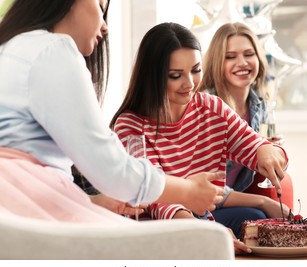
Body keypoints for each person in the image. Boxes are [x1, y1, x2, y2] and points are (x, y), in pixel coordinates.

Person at [0, 0, 225, 223]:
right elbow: (112, 170)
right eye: (101, 7)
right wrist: (187, 190)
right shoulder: (51, 50)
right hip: (28, 217)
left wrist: (92, 202)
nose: (105, 26)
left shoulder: (13, 47)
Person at [110, 22, 289, 252]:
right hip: (158, 227)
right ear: (152, 76)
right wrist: (205, 232)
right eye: (176, 75)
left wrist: (265, 150)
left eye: (195, 70)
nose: (190, 83)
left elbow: (252, 143)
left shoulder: (211, 107)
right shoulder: (131, 125)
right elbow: (154, 197)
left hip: (202, 216)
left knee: (257, 218)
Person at [199, 22, 294, 212]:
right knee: (257, 215)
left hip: (236, 192)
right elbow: (207, 184)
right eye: (230, 57)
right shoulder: (207, 107)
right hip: (207, 202)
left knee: (282, 189)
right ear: (217, 62)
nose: (242, 62)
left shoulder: (260, 104)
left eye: (249, 54)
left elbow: (268, 160)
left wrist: (270, 150)